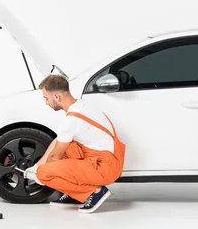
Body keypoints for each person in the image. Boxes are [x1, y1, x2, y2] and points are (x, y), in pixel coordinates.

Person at [21, 74, 126, 213]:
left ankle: (95, 192)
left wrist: (38, 173)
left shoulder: (71, 120)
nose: (46, 103)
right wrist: (37, 165)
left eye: (46, 98)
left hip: (104, 167)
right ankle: (75, 194)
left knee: (44, 174)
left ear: (57, 97)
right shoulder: (82, 106)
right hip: (109, 159)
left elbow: (55, 158)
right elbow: (59, 140)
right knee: (65, 146)